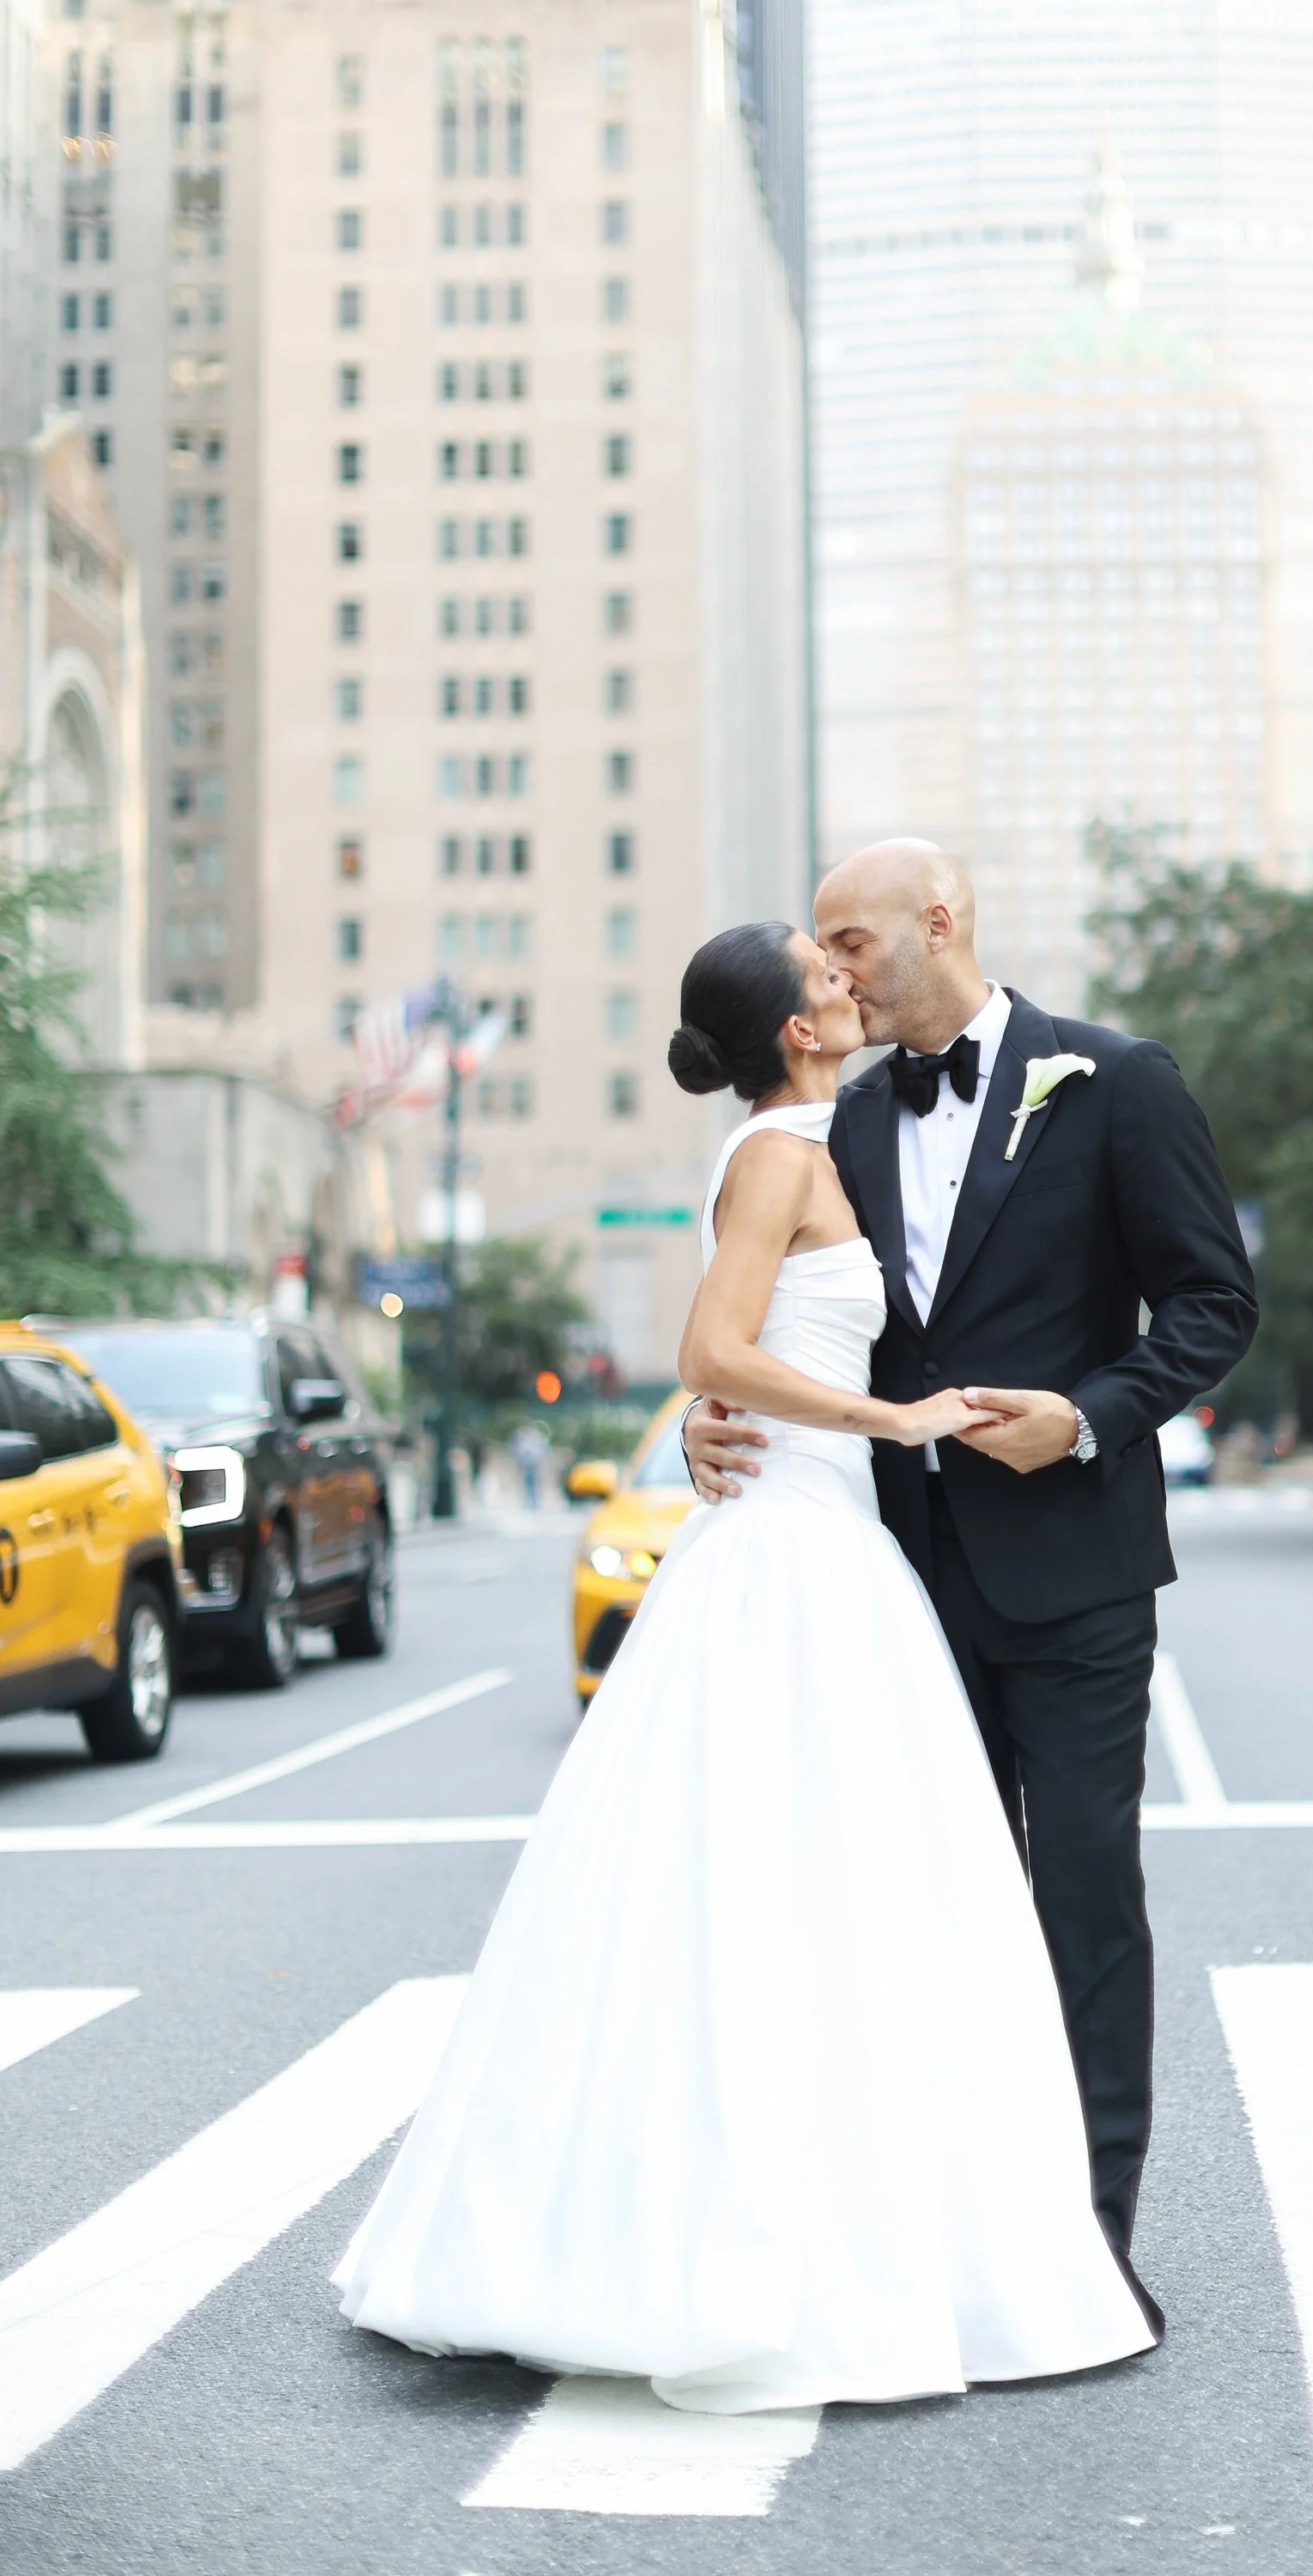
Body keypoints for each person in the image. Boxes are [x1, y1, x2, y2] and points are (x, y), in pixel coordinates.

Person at [332, 920, 1155, 2414]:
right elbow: (717, 1350)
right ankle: (754, 2245)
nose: (845, 975)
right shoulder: (781, 1153)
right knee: (793, 1888)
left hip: (828, 1540)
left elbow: (762, 1343)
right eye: (820, 966)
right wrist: (887, 1424)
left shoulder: (822, 1139)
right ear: (793, 1024)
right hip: (794, 1553)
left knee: (818, 1896)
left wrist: (819, 1415)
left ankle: (851, 2217)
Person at [685, 843, 1257, 2328]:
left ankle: (1088, 2240)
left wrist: (1092, 1417)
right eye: (822, 948)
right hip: (893, 1581)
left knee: (1080, 1900)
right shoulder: (837, 1120)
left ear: (939, 926)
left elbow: (1214, 1302)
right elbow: (796, 1328)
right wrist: (712, 1407)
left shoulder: (1117, 1081)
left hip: (1074, 1576)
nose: (836, 968)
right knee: (930, 1908)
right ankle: (945, 2220)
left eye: (851, 939)